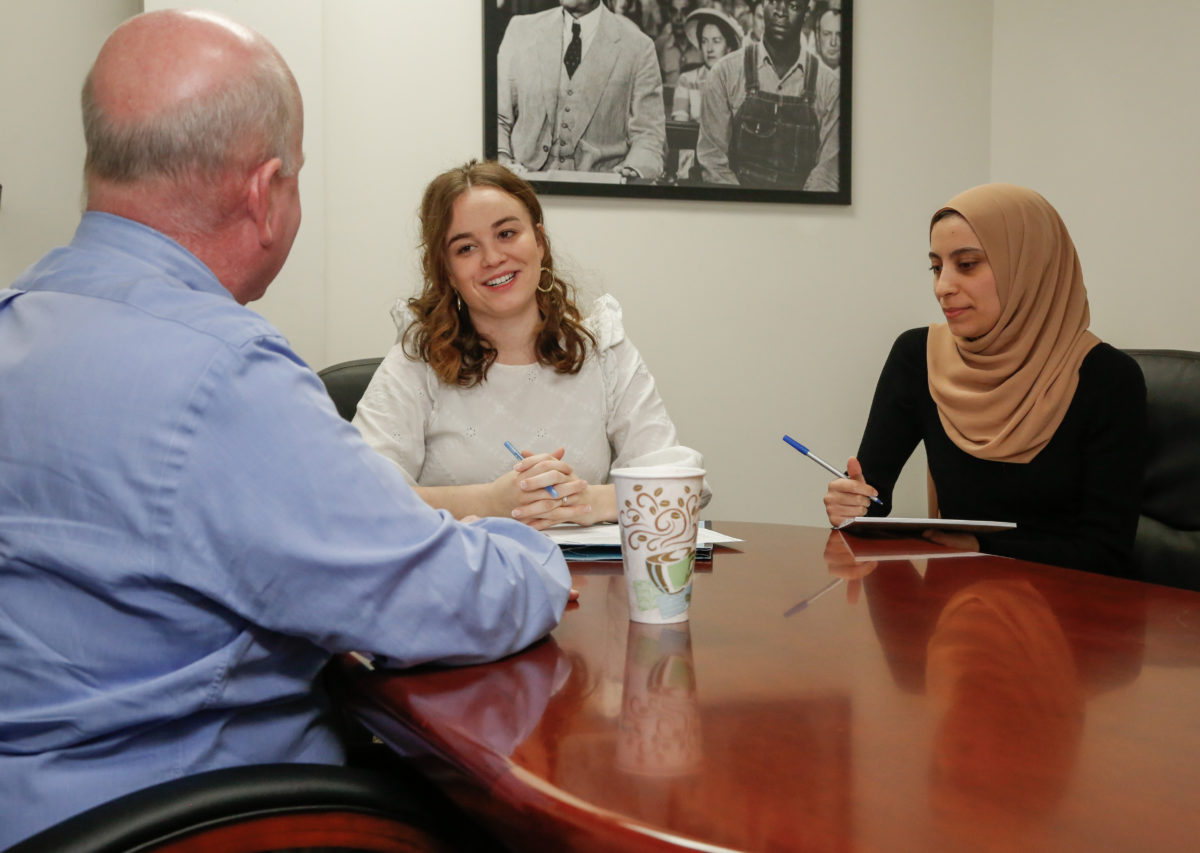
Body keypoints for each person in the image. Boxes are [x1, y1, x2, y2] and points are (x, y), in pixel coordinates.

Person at [0, 11, 572, 848]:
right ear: (265, 193)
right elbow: (442, 597)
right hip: (207, 817)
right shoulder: (222, 375)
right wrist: (540, 555)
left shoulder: (19, 320)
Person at [352, 160, 708, 529]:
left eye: (506, 234)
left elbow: (683, 486)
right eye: (466, 248)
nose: (493, 258)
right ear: (447, 271)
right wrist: (491, 501)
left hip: (591, 582)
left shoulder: (602, 349)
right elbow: (359, 495)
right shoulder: (417, 361)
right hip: (460, 580)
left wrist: (586, 500)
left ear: (539, 241)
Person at [822, 183, 1146, 577]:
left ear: (1028, 266)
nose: (943, 287)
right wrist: (852, 505)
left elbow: (1105, 553)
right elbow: (873, 498)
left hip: (1066, 615)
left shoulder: (1107, 378)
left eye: (968, 264)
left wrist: (983, 546)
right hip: (953, 611)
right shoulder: (918, 357)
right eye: (936, 267)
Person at [497, 0, 667, 180]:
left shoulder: (638, 46)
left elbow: (649, 134)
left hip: (599, 192)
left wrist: (634, 169)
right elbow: (497, 115)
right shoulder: (521, 30)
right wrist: (502, 158)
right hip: (524, 186)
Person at [696, 0, 840, 190]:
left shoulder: (829, 85)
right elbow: (713, 161)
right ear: (762, 6)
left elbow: (827, 174)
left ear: (806, 14)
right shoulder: (724, 74)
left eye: (793, 5)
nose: (781, 12)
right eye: (773, 2)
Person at [670, 8, 743, 121]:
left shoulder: (738, 82)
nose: (709, 49)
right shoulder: (686, 80)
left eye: (716, 41)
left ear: (728, 47)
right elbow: (680, 128)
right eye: (704, 41)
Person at [811, 1, 841, 71]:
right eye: (827, 34)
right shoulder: (809, 72)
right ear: (817, 37)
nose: (833, 43)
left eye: (839, 35)